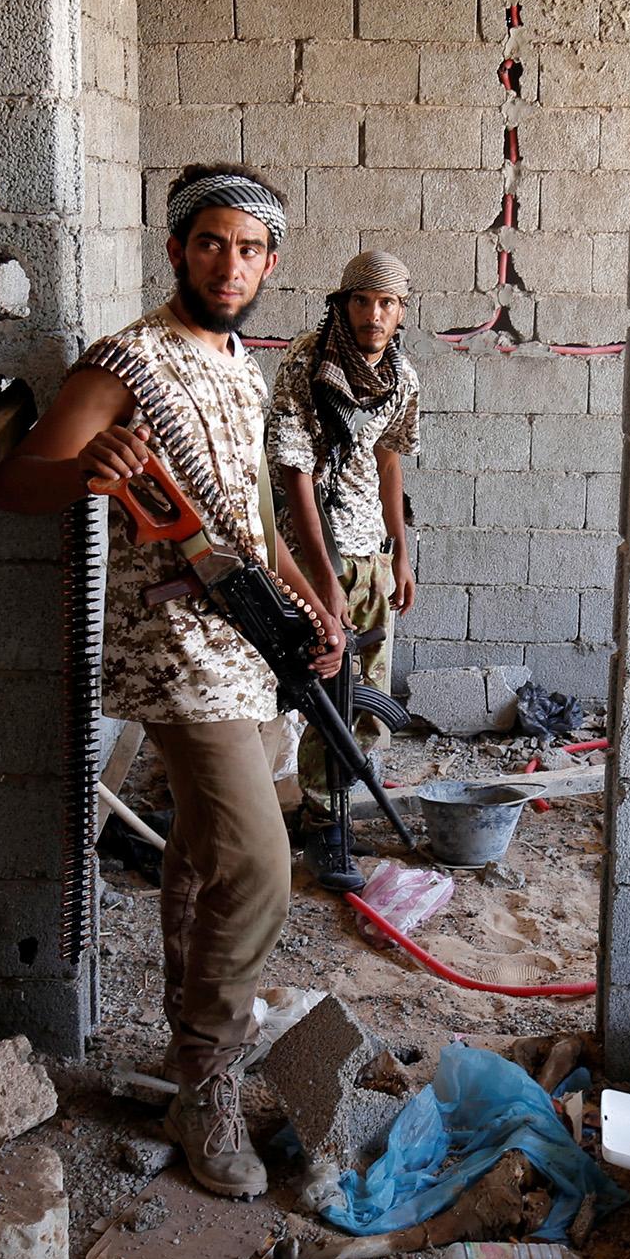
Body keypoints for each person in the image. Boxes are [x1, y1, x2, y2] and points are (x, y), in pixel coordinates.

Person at [0, 163, 342, 1200]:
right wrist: (83, 471)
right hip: (171, 652)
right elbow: (17, 483)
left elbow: (252, 524)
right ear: (177, 248)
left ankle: (191, 1051)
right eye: (209, 244)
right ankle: (210, 1076)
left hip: (244, 641)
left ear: (270, 262)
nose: (228, 265)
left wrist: (310, 604)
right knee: (261, 866)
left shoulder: (240, 363)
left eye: (248, 250)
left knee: (197, 856)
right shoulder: (125, 362)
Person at [267, 252, 421, 875]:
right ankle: (325, 824)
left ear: (402, 311)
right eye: (362, 301)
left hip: (371, 558)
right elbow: (292, 470)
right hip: (308, 557)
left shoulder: (403, 377)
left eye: (387, 303)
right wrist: (322, 575)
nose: (373, 315)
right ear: (342, 303)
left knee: (366, 697)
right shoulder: (308, 363)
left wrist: (401, 550)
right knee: (320, 694)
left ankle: (332, 806)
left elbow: (390, 461)